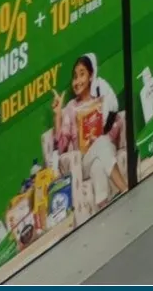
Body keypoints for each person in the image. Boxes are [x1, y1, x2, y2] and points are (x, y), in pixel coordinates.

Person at [53, 53, 128, 203]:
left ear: (91, 76)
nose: (77, 81)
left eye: (82, 74)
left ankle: (104, 209)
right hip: (83, 159)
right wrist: (57, 115)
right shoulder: (71, 108)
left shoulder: (100, 101)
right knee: (100, 147)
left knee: (98, 166)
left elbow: (116, 124)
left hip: (104, 151)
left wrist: (103, 133)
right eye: (75, 76)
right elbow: (61, 147)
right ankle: (126, 188)